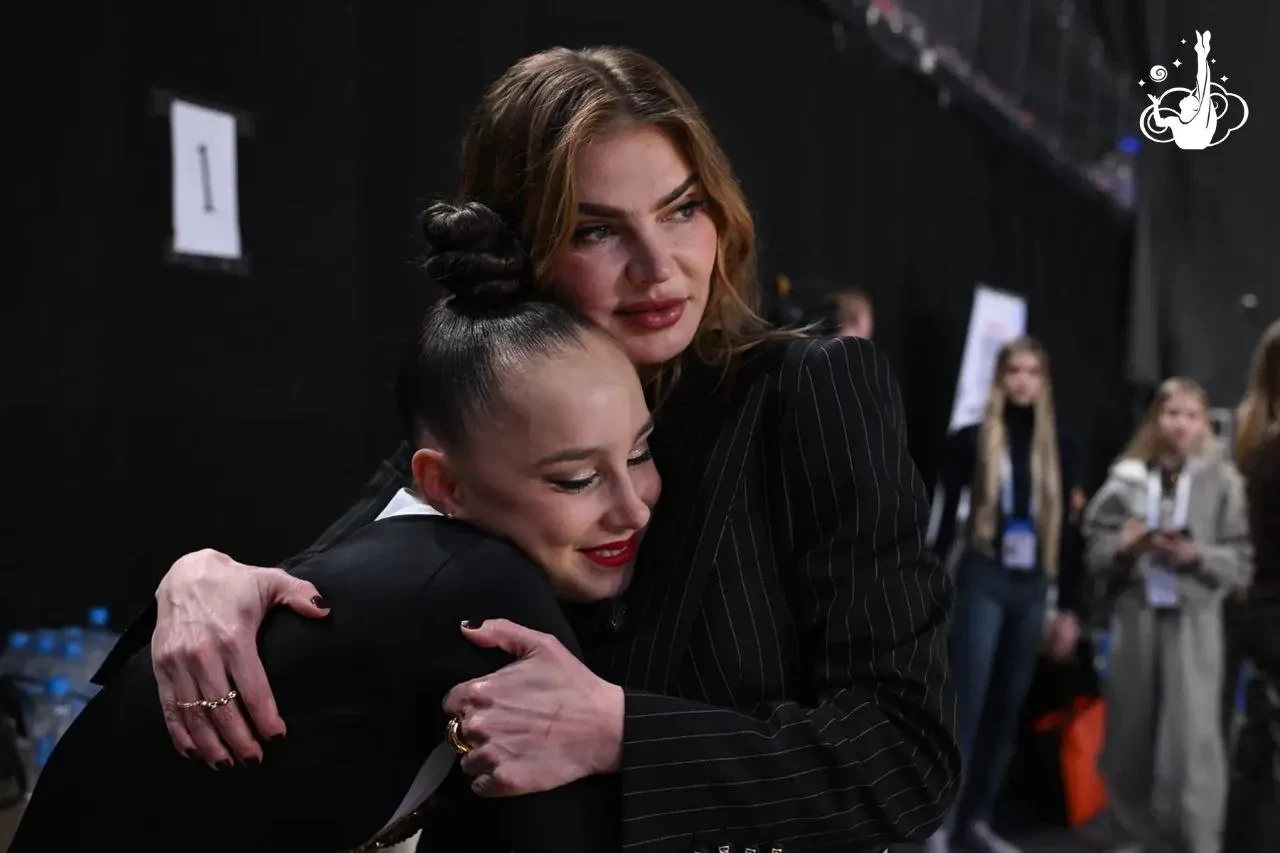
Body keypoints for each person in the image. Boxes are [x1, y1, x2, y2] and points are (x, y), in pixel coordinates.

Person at [95, 46, 960, 852]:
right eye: (596, 230)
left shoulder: (809, 391)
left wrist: (620, 730)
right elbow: (326, 589)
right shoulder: (492, 421)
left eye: (681, 208)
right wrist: (203, 578)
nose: (658, 266)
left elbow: (907, 751)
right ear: (516, 246)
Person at [12, 202, 637, 852]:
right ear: (443, 485)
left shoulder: (419, 552)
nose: (634, 508)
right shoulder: (481, 586)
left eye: (642, 452)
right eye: (576, 479)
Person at [927, 336, 1083, 853]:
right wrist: (927, 586)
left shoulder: (1060, 445)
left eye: (1032, 372)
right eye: (1014, 371)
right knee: (967, 702)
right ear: (999, 378)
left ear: (1044, 382)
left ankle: (978, 818)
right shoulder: (970, 439)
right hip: (984, 572)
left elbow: (1071, 532)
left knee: (1008, 705)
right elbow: (943, 521)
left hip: (1032, 581)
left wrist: (1070, 608)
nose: (1023, 381)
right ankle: (940, 820)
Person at [1083, 377, 1252, 853]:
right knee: (1129, 732)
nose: (1180, 424)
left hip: (1195, 620)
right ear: (1156, 419)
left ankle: (1199, 839)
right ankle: (1130, 835)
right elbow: (1095, 547)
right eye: (1171, 413)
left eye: (1191, 415)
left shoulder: (1223, 483)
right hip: (1137, 615)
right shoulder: (1128, 479)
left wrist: (1198, 555)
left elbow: (1241, 560)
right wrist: (1127, 545)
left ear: (1204, 425)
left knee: (1195, 739)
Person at [1224, 319, 1280, 851]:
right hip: (1272, 613)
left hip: (1259, 612)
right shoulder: (1271, 448)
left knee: (1259, 749)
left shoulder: (1254, 439)